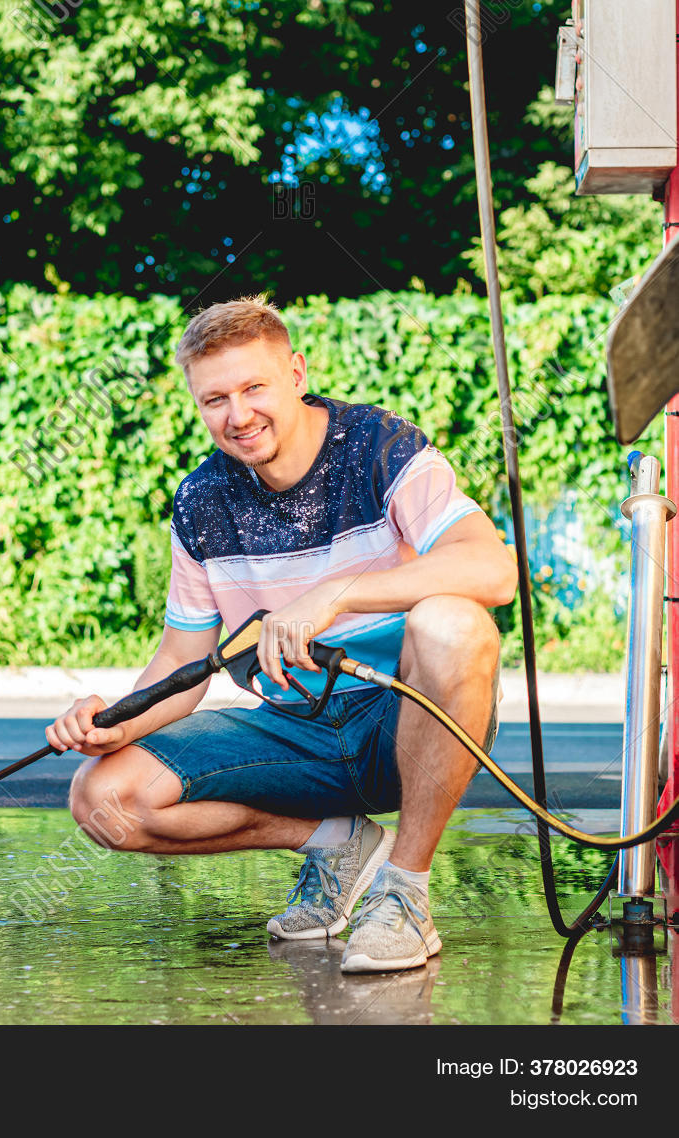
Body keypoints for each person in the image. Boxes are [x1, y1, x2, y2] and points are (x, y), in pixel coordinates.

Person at [46, 294, 516, 974]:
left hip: (402, 719)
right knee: (100, 796)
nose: (238, 416)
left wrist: (337, 593)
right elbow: (182, 658)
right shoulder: (201, 503)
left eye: (253, 387)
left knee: (455, 621)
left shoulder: (380, 446)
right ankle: (338, 844)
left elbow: (493, 568)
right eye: (214, 400)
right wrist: (113, 723)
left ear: (295, 372)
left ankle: (405, 893)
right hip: (296, 730)